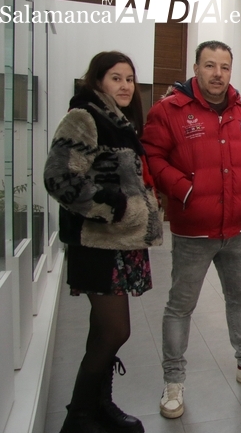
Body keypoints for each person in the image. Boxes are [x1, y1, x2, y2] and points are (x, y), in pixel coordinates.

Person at [141, 40, 241, 420]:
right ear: (197, 68)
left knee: (240, 300)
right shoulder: (169, 111)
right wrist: (184, 190)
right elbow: (152, 156)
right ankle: (174, 381)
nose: (218, 74)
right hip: (192, 233)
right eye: (210, 66)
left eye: (224, 67)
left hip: (237, 229)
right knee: (180, 307)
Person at [44, 51, 163, 433]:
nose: (125, 85)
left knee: (103, 329)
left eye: (130, 78)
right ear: (97, 81)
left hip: (121, 242)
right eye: (116, 77)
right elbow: (59, 178)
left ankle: (98, 406)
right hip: (97, 242)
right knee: (115, 330)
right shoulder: (84, 117)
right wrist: (111, 206)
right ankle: (79, 415)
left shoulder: (121, 122)